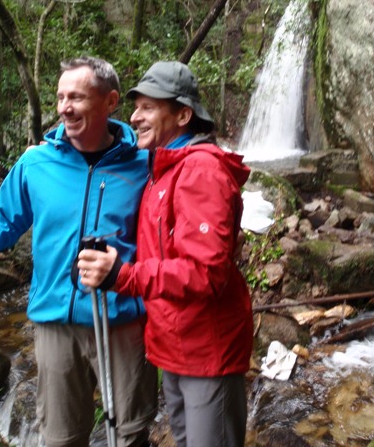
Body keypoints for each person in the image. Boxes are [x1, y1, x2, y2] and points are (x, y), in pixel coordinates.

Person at [0, 56, 157, 447]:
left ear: (110, 101)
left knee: (131, 433)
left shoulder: (144, 164)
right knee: (60, 437)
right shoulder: (35, 162)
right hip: (56, 321)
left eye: (77, 97)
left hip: (121, 319)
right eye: (60, 97)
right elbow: (2, 226)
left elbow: (166, 230)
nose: (64, 108)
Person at [79, 61, 254, 447]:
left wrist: (121, 276)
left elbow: (204, 274)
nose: (135, 117)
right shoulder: (164, 168)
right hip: (177, 345)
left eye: (147, 108)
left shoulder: (199, 172)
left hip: (207, 349)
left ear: (183, 115)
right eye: (135, 107)